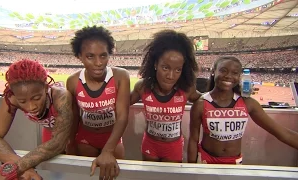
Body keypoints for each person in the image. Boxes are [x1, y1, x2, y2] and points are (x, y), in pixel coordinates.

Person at [187, 56, 298, 164]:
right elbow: (193, 140)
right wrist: (191, 168)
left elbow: (281, 132)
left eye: (235, 73)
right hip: (207, 159)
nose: (228, 76)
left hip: (234, 161)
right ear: (213, 72)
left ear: (239, 76)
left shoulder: (248, 103)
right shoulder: (200, 104)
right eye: (223, 70)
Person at [0, 59, 73, 180]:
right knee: (55, 173)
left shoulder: (61, 96)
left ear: (46, 88)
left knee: (75, 168)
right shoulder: (11, 99)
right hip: (50, 132)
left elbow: (58, 143)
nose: (31, 107)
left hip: (74, 133)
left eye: (36, 98)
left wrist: (9, 171)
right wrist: (24, 168)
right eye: (22, 101)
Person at [66, 26, 130, 179]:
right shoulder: (73, 81)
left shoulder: (121, 76)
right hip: (85, 139)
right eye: (90, 56)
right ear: (79, 56)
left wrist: (108, 150)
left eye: (103, 56)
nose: (98, 63)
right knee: (90, 176)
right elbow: (74, 116)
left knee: (113, 176)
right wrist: (70, 142)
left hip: (112, 139)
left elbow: (122, 116)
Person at [130, 30, 201, 162]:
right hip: (150, 145)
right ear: (155, 64)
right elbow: (122, 101)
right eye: (165, 68)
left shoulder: (186, 89)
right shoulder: (143, 87)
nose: (170, 76)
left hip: (173, 147)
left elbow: (205, 100)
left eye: (177, 70)